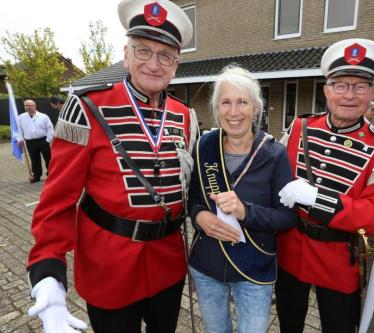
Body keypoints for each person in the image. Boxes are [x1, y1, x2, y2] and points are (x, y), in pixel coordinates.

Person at [26, 1, 196, 332]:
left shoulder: (185, 115)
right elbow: (57, 199)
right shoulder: (87, 106)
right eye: (143, 50)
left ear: (175, 65)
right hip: (110, 265)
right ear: (127, 54)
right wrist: (48, 272)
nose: (153, 63)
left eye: (165, 55)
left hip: (169, 264)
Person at [276, 38, 374, 333]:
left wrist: (318, 198)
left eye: (359, 86)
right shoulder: (298, 127)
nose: (349, 95)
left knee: (339, 326)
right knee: (288, 322)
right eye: (341, 85)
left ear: (373, 92)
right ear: (326, 90)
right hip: (291, 249)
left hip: (338, 260)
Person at [188, 65, 297, 333]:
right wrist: (200, 216)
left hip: (254, 269)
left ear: (255, 108)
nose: (234, 112)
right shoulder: (204, 145)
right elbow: (193, 199)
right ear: (216, 108)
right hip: (207, 267)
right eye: (226, 102)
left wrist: (245, 212)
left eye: (242, 102)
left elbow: (287, 218)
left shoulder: (274, 154)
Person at [17, 99, 54, 183]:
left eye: (31, 105)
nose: (29, 107)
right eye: (26, 105)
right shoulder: (21, 117)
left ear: (35, 106)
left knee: (48, 158)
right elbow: (19, 130)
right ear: (24, 107)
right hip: (30, 142)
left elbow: (50, 128)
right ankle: (36, 175)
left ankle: (51, 173)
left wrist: (48, 140)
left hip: (43, 140)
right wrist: (20, 139)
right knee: (34, 159)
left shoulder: (43, 116)